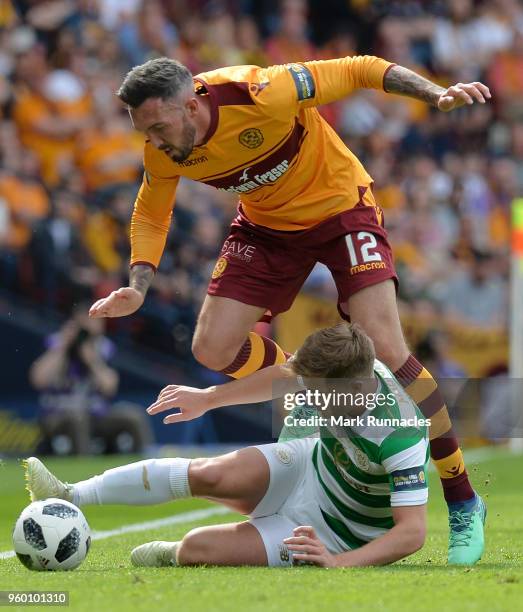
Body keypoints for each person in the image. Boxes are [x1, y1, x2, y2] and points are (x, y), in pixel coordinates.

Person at [87, 54, 491, 563]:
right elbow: (150, 211)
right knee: (212, 347)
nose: (154, 142)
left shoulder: (262, 92)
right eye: (143, 132)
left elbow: (360, 68)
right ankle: (321, 371)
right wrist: (139, 283)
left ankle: (462, 499)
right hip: (268, 229)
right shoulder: (163, 148)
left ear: (191, 104)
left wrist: (433, 94)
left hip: (341, 208)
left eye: (159, 127)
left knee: (387, 351)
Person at [26, 323, 469, 568]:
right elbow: (284, 375)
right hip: (307, 467)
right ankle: (69, 494)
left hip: (334, 534)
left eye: (317, 392)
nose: (307, 398)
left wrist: (341, 563)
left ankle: (170, 553)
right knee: (209, 473)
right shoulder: (344, 361)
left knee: (198, 548)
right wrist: (209, 398)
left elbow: (412, 533)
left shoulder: (402, 432)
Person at [29, 303, 152, 455]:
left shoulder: (102, 348)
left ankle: (143, 468)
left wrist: (92, 360)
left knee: (133, 416)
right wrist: (63, 346)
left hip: (96, 414)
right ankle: (84, 471)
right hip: (58, 414)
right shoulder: (56, 343)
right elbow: (38, 379)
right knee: (78, 420)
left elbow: (110, 387)